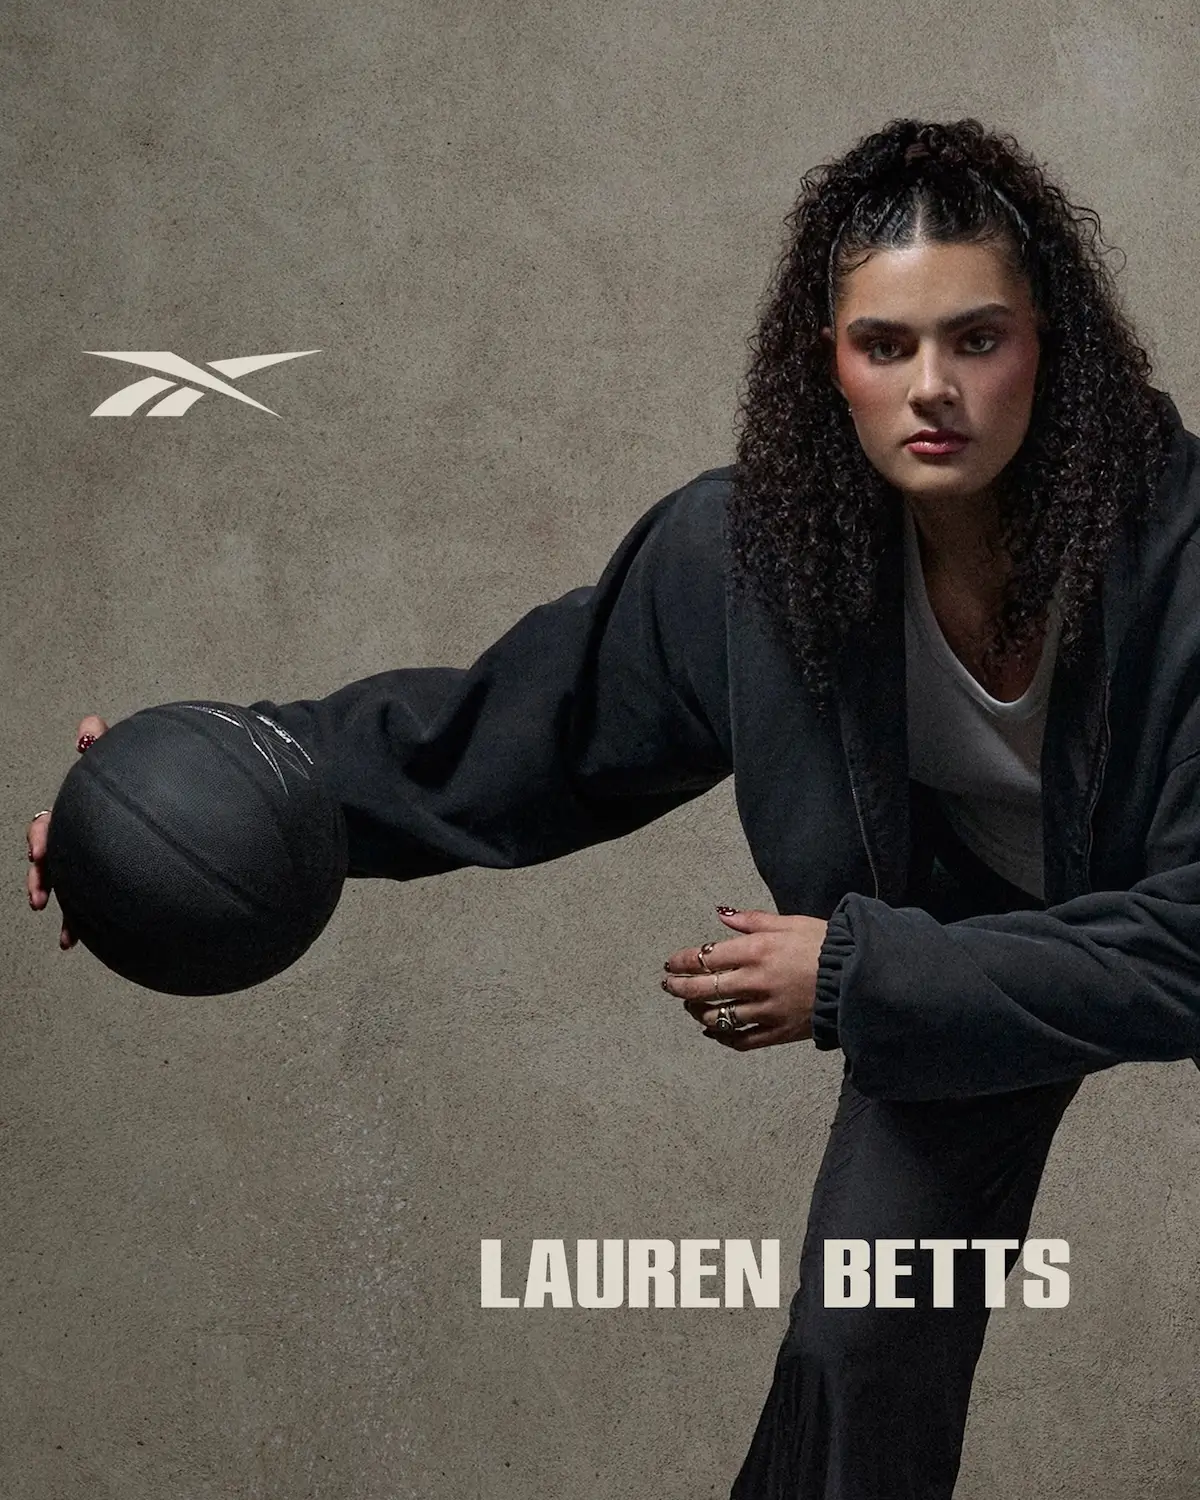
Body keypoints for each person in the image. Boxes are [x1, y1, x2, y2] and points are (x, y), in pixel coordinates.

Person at [25, 116, 1200, 1496]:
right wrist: (210, 780)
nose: (932, 387)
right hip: (957, 964)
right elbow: (516, 737)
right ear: (829, 365)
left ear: (1047, 346)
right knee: (855, 1354)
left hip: (1096, 934)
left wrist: (853, 972)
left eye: (977, 338)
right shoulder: (753, 563)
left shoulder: (1178, 559)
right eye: (886, 346)